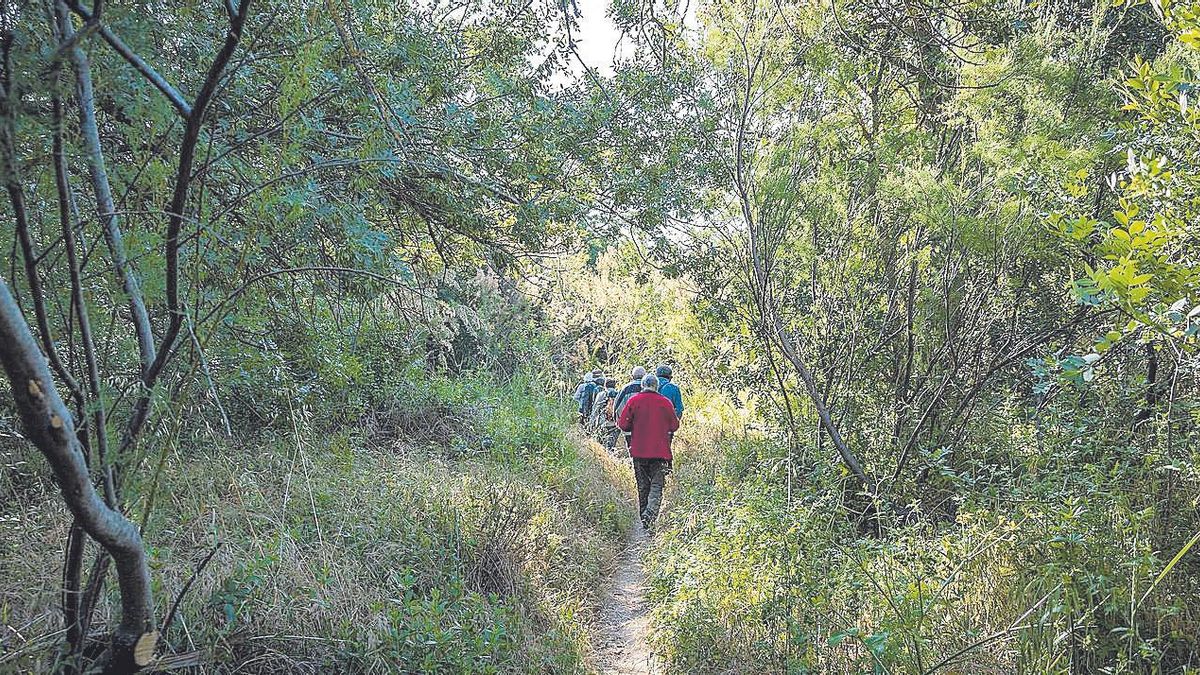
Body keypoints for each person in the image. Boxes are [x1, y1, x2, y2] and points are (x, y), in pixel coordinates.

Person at [617, 374, 679, 530]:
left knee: (643, 485)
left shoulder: (634, 401)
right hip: (660, 452)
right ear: (656, 386)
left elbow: (623, 425)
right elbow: (674, 426)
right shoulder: (665, 403)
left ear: (643, 385)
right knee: (657, 485)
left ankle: (645, 518)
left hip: (639, 451)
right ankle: (650, 514)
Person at [614, 366, 646, 452]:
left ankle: (635, 465)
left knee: (632, 450)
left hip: (630, 428)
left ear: (632, 376)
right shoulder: (650, 388)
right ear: (645, 375)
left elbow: (617, 406)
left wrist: (619, 421)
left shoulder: (625, 388)